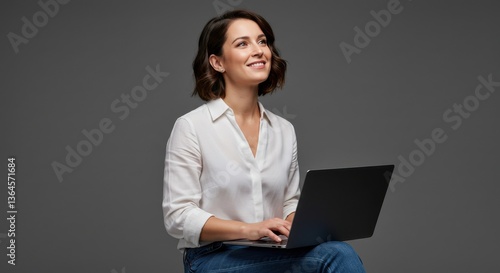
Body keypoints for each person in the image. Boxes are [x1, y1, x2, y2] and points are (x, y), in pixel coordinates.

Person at [162, 9, 366, 273]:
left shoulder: (284, 130)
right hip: (213, 256)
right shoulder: (191, 127)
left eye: (262, 41)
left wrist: (300, 225)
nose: (259, 50)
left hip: (272, 250)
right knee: (336, 256)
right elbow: (177, 217)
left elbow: (290, 201)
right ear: (217, 62)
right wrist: (249, 229)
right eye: (242, 44)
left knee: (332, 248)